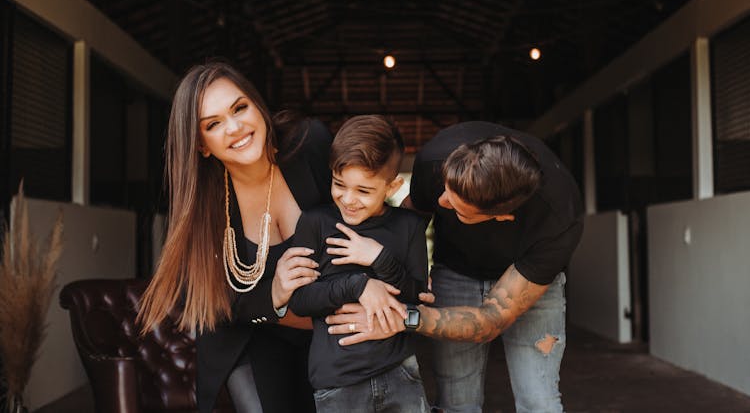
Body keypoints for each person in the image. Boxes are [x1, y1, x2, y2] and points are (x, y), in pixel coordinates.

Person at [326, 121, 584, 413]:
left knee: (539, 401)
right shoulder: (439, 158)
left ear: (501, 217)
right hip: (456, 270)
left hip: (527, 285)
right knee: (456, 403)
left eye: (456, 207)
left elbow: (491, 321)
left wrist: (405, 317)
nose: (441, 200)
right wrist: (388, 275)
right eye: (447, 190)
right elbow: (413, 218)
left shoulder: (559, 219)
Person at [137, 62, 331, 413]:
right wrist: (273, 294)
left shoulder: (309, 144)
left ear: (257, 105)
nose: (235, 127)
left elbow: (360, 210)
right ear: (202, 145)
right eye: (213, 124)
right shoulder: (203, 205)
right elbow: (220, 303)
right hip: (250, 334)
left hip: (329, 325)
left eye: (239, 107)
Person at [288, 115, 430, 412]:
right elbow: (300, 300)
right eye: (339, 184)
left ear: (392, 187)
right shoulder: (315, 223)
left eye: (364, 191)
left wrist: (379, 257)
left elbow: (416, 296)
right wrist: (359, 285)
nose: (348, 199)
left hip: (400, 372)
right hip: (337, 381)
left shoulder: (410, 226)